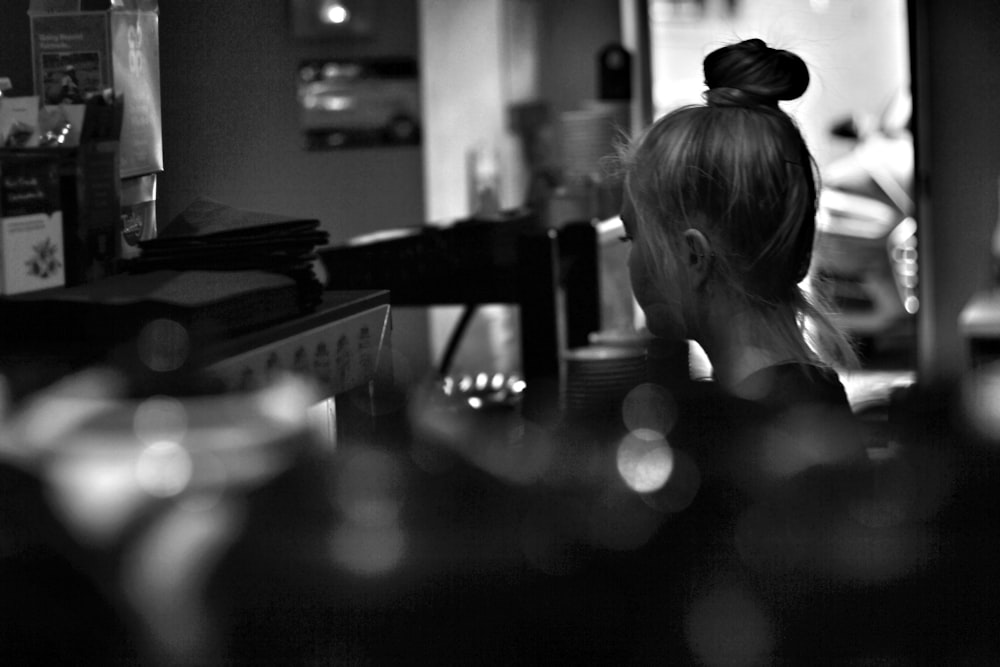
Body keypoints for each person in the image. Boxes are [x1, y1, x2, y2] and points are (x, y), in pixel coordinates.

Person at [616, 37, 858, 411]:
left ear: (693, 255)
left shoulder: (753, 428)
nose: (629, 260)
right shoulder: (806, 393)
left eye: (630, 236)